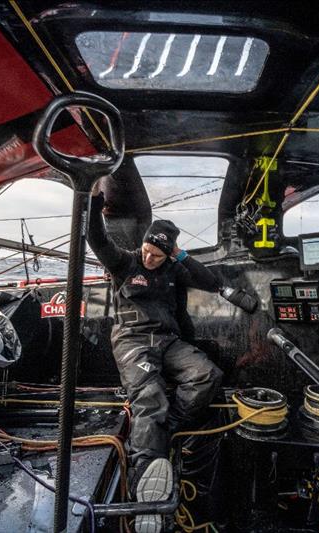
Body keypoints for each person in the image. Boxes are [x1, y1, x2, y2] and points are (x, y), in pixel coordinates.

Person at [87, 192, 223, 533]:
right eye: (147, 250)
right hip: (132, 341)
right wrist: (91, 204)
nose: (149, 257)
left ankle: (164, 429)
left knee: (207, 375)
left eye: (157, 254)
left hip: (169, 342)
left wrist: (181, 256)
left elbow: (211, 283)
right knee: (150, 399)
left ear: (168, 253)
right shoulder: (125, 262)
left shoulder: (175, 268)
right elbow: (96, 238)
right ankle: (145, 481)